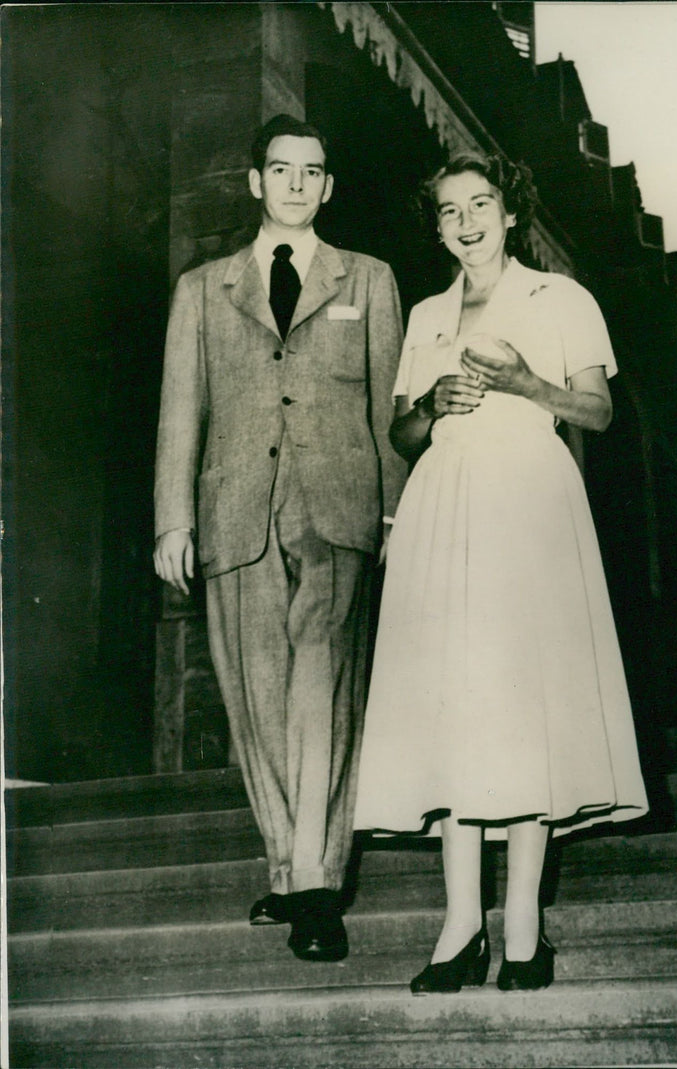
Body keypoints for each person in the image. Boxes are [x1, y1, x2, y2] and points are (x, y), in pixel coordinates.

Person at [354, 152, 649, 993]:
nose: (467, 222)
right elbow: (402, 436)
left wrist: (525, 380)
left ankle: (523, 926)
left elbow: (597, 408)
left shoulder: (561, 299)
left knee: (523, 707)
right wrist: (430, 406)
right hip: (445, 507)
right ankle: (458, 927)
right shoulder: (426, 312)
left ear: (510, 212)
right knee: (455, 707)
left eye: (481, 205)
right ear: (438, 226)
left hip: (529, 502)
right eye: (450, 212)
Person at [153, 114, 406, 963]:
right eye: (281, 169)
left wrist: (397, 514)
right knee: (256, 699)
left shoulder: (369, 280)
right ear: (255, 182)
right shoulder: (202, 288)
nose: (297, 184)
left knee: (322, 693)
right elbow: (180, 414)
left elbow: (388, 413)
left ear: (328, 187)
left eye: (313, 171)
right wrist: (172, 520)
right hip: (236, 513)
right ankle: (285, 857)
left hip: (339, 511)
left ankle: (318, 879)